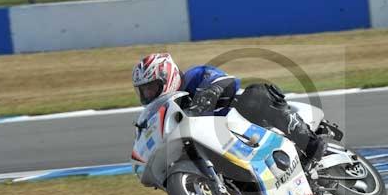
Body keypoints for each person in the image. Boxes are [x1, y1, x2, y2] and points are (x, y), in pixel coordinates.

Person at [131, 53, 325, 166]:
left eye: (151, 87)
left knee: (256, 93)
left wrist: (211, 91)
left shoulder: (194, 76)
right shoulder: (166, 111)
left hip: (245, 119)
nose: (148, 94)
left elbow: (226, 80)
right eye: (144, 90)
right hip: (224, 146)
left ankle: (309, 141)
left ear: (168, 77)